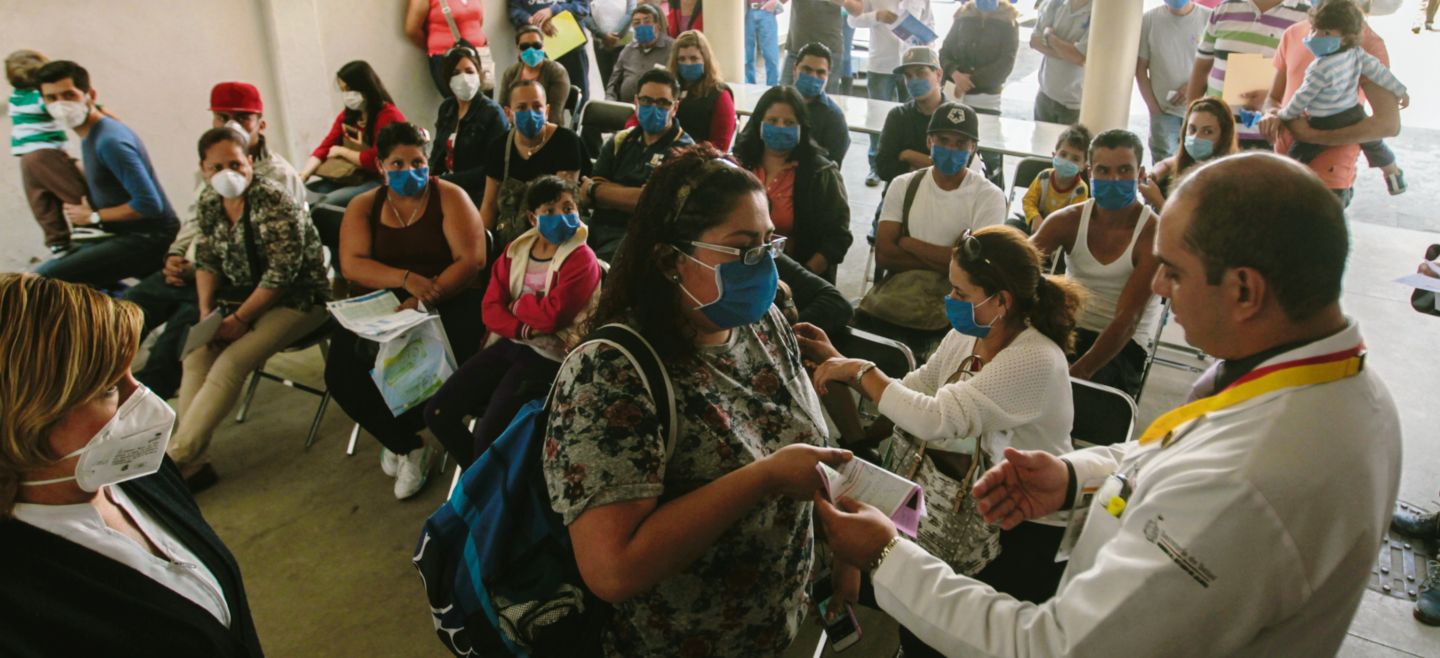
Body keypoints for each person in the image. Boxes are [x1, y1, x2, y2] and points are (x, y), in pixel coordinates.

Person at [815, 151, 1403, 658]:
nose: (1158, 290)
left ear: (1244, 290)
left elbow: (1054, 646)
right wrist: (1076, 476)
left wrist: (889, 556)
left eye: (1172, 271)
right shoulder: (1324, 380)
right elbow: (1165, 448)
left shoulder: (1244, 483)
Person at [541, 144, 854, 656]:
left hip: (775, 623)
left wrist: (843, 555)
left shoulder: (761, 321)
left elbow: (805, 435)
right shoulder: (611, 375)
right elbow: (613, 570)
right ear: (669, 258)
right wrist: (766, 477)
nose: (764, 268)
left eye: (769, 245)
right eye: (743, 249)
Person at [804, 226, 1083, 656]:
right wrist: (839, 365)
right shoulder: (970, 332)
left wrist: (861, 372)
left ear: (1001, 301)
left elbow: (938, 418)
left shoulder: (1035, 358)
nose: (949, 300)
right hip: (970, 504)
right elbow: (917, 390)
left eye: (960, 291)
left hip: (1026, 524)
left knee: (963, 637)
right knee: (926, 624)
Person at [0, 273, 264, 656]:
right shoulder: (18, 602)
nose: (142, 398)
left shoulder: (139, 472)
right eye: (108, 387)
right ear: (22, 419)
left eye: (130, 373)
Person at [326, 122, 488, 500]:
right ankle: (407, 443)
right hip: (386, 304)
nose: (409, 171)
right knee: (342, 371)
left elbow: (471, 260)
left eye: (417, 162)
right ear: (380, 167)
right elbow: (353, 263)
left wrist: (424, 296)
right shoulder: (364, 206)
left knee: (420, 361)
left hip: (449, 295)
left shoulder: (449, 196)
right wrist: (405, 279)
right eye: (397, 164)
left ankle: (408, 435)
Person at [166, 128, 330, 485]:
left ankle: (175, 459)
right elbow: (208, 259)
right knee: (195, 356)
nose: (229, 173)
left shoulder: (274, 200)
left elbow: (281, 275)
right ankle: (193, 463)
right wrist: (207, 312)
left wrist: (240, 319)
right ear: (204, 169)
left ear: (251, 162)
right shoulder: (210, 201)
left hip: (298, 299)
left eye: (237, 164)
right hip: (240, 297)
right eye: (218, 166)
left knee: (231, 362)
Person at [125, 82, 307, 402]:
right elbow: (195, 219)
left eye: (242, 117)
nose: (231, 125)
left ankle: (143, 411)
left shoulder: (278, 178)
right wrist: (176, 255)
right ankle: (95, 384)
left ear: (260, 124)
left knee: (179, 341)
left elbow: (270, 256)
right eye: (222, 117)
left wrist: (198, 272)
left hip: (235, 281)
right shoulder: (211, 167)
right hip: (195, 268)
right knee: (126, 310)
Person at [426, 176, 601, 468]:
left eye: (568, 207)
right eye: (549, 210)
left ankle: (482, 495)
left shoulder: (582, 259)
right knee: (437, 413)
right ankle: (484, 486)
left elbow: (553, 316)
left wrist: (517, 304)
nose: (562, 216)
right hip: (511, 343)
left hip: (551, 357)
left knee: (487, 437)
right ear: (533, 217)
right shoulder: (515, 253)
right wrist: (522, 326)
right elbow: (491, 309)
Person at [864, 102, 1006, 357]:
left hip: (959, 308)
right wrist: (953, 257)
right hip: (899, 297)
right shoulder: (904, 185)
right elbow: (884, 254)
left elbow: (980, 270)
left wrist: (909, 244)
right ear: (929, 141)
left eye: (961, 143)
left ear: (973, 148)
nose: (951, 149)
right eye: (943, 140)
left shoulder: (989, 196)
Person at [1032, 129, 1162, 399]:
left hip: (1123, 346)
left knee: (1084, 400)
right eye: (1103, 170)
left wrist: (1078, 373)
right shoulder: (1066, 220)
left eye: (1124, 170)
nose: (1113, 179)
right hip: (1067, 330)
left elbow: (1128, 320)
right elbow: (1017, 266)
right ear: (1090, 172)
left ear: (1141, 175)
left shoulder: (1152, 234)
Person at [32, 60, 180, 289]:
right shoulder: (91, 133)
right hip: (119, 235)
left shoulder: (110, 140)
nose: (60, 104)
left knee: (38, 283)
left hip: (149, 238)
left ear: (89, 94)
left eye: (69, 95)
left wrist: (92, 217)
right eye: (51, 98)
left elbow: (149, 204)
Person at [1258, 0, 1401, 207]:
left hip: (1329, 179)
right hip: (1284, 167)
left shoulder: (1367, 43)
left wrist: (1313, 136)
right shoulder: (1295, 33)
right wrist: (1271, 113)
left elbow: (1388, 124)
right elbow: (1273, 98)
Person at [733, 86, 850, 281]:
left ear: (801, 128)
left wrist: (803, 276)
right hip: (739, 271)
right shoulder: (739, 165)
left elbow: (838, 238)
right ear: (759, 123)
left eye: (789, 123)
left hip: (794, 276)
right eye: (772, 121)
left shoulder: (820, 174)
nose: (780, 127)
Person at [582, 68, 694, 261]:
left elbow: (649, 202)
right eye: (646, 101)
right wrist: (626, 195)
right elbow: (587, 196)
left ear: (675, 107)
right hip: (597, 228)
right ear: (636, 102)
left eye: (662, 103)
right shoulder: (621, 140)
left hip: (640, 239)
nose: (653, 107)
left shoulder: (683, 151)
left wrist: (598, 190)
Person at [297, 61, 406, 254]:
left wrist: (343, 152)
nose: (347, 95)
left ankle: (348, 263)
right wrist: (303, 175)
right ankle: (338, 267)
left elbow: (376, 160)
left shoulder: (388, 116)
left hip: (378, 180)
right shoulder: (348, 116)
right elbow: (325, 147)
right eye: (343, 90)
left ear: (365, 86)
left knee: (325, 207)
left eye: (349, 89)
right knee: (303, 198)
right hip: (349, 176)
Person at [1188, 0, 1309, 149]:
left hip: (1267, 137)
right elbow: (1201, 69)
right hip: (1214, 133)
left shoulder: (1306, 18)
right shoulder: (1224, 8)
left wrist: (1272, 99)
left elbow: (1309, 82)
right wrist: (1190, 122)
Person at [482, 79, 590, 242]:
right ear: (508, 113)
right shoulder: (499, 147)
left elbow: (562, 203)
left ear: (547, 111)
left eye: (537, 106)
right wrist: (481, 240)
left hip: (554, 232)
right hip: (508, 236)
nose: (530, 113)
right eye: (521, 108)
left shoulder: (567, 142)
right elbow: (489, 205)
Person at [7, 49, 86, 254]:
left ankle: (57, 240)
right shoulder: (39, 98)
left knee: (41, 201)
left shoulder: (16, 98)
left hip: (26, 157)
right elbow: (63, 109)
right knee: (71, 189)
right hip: (46, 151)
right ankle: (86, 227)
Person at [847, 0, 935, 185]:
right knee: (876, 117)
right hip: (880, 64)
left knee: (911, 118)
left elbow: (928, 22)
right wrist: (876, 17)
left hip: (911, 68)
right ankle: (875, 166)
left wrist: (928, 44)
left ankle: (905, 164)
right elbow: (853, 20)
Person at [939, 0, 1015, 190]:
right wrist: (955, 74)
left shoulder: (1008, 21)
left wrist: (970, 81)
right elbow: (944, 52)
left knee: (990, 156)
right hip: (956, 95)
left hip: (987, 99)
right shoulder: (963, 15)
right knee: (955, 150)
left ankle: (996, 196)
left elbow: (1006, 63)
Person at [431, 43, 510, 204]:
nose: (464, 78)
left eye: (469, 71)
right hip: (445, 188)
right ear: (448, 79)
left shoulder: (492, 113)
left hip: (476, 195)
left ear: (479, 74)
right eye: (456, 73)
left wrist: (445, 182)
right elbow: (438, 152)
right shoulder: (447, 109)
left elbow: (492, 170)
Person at [1136, 0, 1211, 164]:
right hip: (1163, 111)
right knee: (1163, 162)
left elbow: (1215, 64)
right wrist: (1153, 108)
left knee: (1198, 163)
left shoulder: (1209, 18)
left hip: (1199, 110)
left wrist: (1192, 86)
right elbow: (1140, 68)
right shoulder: (1149, 20)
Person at [1141, 97, 1236, 210]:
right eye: (1192, 129)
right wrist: (1152, 176)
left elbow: (1186, 226)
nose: (1196, 137)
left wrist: (1157, 200)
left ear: (1223, 137)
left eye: (1207, 131)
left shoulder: (1226, 181)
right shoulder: (1190, 160)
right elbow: (1167, 164)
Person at [875, 47, 947, 187]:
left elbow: (956, 173)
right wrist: (932, 164)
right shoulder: (898, 116)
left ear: (938, 74)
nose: (914, 80)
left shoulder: (953, 117)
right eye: (908, 76)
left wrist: (907, 155)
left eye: (921, 73)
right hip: (900, 196)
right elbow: (883, 169)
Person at [508, 0, 592, 110]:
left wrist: (553, 11)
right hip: (536, 54)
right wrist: (534, 21)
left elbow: (582, 7)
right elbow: (514, 11)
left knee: (580, 104)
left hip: (572, 48)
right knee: (538, 102)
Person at [1013, 124, 1091, 235]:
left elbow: (1073, 219)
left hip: (1059, 233)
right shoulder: (1043, 177)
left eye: (1075, 159)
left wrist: (1048, 229)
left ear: (1083, 165)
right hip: (1035, 225)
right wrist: (1035, 217)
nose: (1067, 161)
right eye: (1063, 154)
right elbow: (1028, 200)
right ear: (1054, 155)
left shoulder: (1080, 190)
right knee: (1011, 225)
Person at [665, 30, 735, 150]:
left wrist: (686, 152)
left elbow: (720, 144)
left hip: (698, 159)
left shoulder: (719, 94)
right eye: (682, 59)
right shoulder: (667, 87)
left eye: (694, 58)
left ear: (705, 60)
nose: (688, 63)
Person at [405, 0, 489, 98]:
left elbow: (478, 20)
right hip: (450, 60)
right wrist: (438, 45)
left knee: (487, 107)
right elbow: (412, 30)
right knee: (460, 108)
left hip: (481, 56)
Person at [785, 42, 850, 166]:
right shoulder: (775, 102)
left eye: (820, 72)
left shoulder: (834, 117)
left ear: (828, 76)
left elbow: (831, 167)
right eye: (807, 70)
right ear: (794, 69)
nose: (813, 76)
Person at [1030, 0, 1091, 125]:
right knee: (1040, 143)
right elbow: (1035, 42)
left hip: (1075, 105)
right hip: (1045, 95)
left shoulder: (1098, 12)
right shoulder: (1055, 4)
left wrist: (1049, 37)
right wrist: (1069, 52)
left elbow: (1080, 58)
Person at [498, 25, 573, 124]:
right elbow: (502, 109)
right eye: (525, 46)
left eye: (536, 45)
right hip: (514, 129)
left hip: (547, 130)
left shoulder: (557, 72)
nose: (531, 51)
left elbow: (554, 114)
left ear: (543, 46)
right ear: (518, 48)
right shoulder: (510, 73)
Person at [606, 4, 674, 102]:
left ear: (658, 26)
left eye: (647, 22)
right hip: (627, 108)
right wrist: (610, 102)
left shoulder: (672, 48)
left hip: (658, 107)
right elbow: (613, 84)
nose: (641, 25)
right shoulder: (628, 50)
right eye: (637, 23)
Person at [782, 0, 845, 95]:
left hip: (829, 50)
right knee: (784, 97)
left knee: (826, 101)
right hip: (796, 46)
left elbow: (857, 10)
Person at [585, 0, 636, 84]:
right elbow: (584, 13)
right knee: (608, 82)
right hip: (601, 43)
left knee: (626, 82)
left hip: (625, 43)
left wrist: (614, 36)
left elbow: (631, 11)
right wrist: (603, 35)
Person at [745, 0, 785, 85]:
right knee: (747, 55)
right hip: (747, 10)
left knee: (770, 55)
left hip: (766, 11)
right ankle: (748, 87)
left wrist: (774, 2)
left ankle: (773, 89)